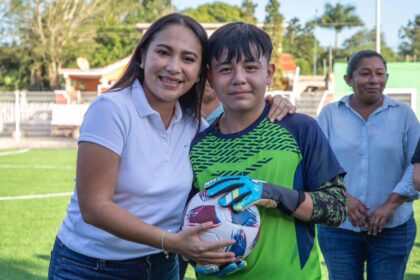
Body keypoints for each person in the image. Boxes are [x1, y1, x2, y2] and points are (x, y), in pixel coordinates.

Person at [48, 13, 294, 280]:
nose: (174, 67)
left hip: (161, 266)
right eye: (164, 53)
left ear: (201, 73)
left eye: (188, 59)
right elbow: (94, 207)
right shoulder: (111, 109)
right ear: (142, 56)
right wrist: (172, 242)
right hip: (91, 267)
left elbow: (238, 120)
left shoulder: (193, 124)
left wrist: (272, 101)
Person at [188, 22, 348, 279]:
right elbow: (189, 222)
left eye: (251, 67)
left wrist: (269, 192)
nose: (239, 78)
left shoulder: (299, 128)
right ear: (210, 78)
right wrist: (195, 258)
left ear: (269, 73)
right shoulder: (197, 146)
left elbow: (337, 209)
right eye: (226, 69)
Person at [317, 50, 419, 280]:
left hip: (393, 228)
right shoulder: (329, 115)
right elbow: (317, 163)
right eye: (365, 73)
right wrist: (344, 198)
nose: (374, 80)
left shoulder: (404, 115)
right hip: (338, 228)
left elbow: (417, 165)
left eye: (380, 74)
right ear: (349, 80)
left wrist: (391, 204)